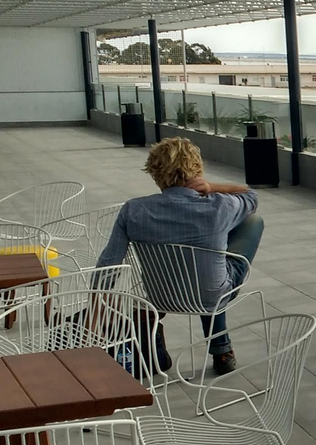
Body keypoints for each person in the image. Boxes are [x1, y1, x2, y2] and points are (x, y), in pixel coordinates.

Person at [97, 137, 263, 375]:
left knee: (203, 270)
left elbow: (109, 262)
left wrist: (97, 301)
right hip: (211, 295)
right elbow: (251, 196)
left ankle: (149, 328)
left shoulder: (133, 209)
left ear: (155, 174)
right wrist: (212, 187)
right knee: (252, 223)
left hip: (160, 295)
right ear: (196, 170)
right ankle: (221, 349)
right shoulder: (220, 206)